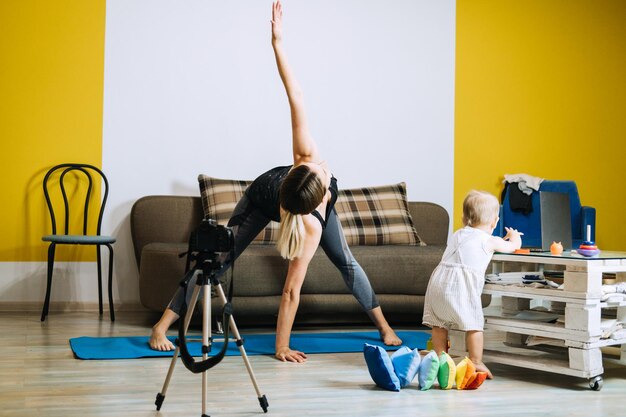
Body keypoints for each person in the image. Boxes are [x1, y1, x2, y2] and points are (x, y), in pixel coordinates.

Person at [149, 0, 402, 362]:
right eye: (322, 172)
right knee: (216, 260)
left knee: (347, 263)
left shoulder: (307, 165)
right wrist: (281, 347)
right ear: (314, 190)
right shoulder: (308, 197)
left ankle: (385, 327)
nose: (324, 167)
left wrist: (279, 43)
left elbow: (295, 94)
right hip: (259, 198)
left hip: (289, 203)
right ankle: (161, 326)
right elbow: (289, 292)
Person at [422, 190, 523, 378]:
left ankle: (439, 356)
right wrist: (514, 237)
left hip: (438, 283)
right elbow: (512, 247)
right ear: (494, 222)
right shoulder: (490, 240)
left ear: (464, 217)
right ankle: (476, 361)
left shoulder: (457, 234)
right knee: (474, 325)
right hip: (461, 287)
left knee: (439, 324)